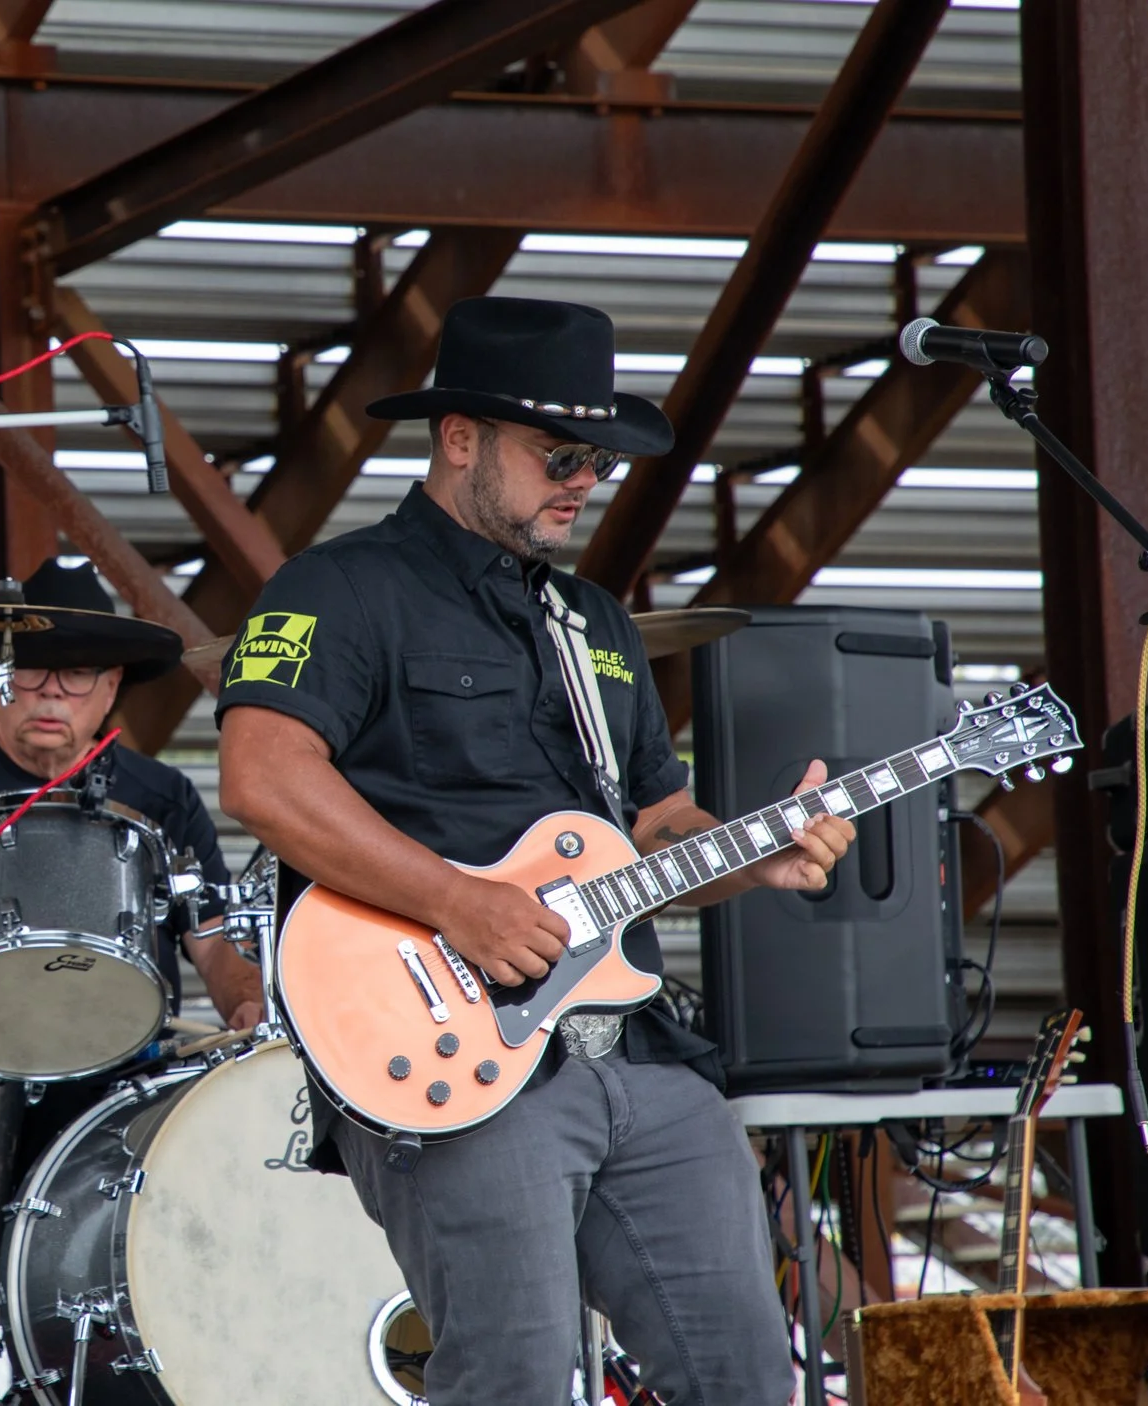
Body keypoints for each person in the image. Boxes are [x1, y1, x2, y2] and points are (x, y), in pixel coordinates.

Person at [216, 296, 853, 1404]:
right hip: (459, 1050)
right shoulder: (340, 588)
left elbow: (652, 823)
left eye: (598, 461)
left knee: (748, 1369)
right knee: (512, 1375)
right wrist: (457, 901)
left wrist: (754, 853)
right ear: (460, 436)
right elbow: (262, 778)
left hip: (639, 1052)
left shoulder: (594, 623)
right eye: (559, 455)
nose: (583, 481)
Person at [0, 559, 266, 1031]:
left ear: (111, 687)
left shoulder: (166, 795)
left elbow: (213, 938)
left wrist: (245, 1000)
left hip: (131, 1056)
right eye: (33, 669)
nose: (52, 692)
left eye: (78, 672)